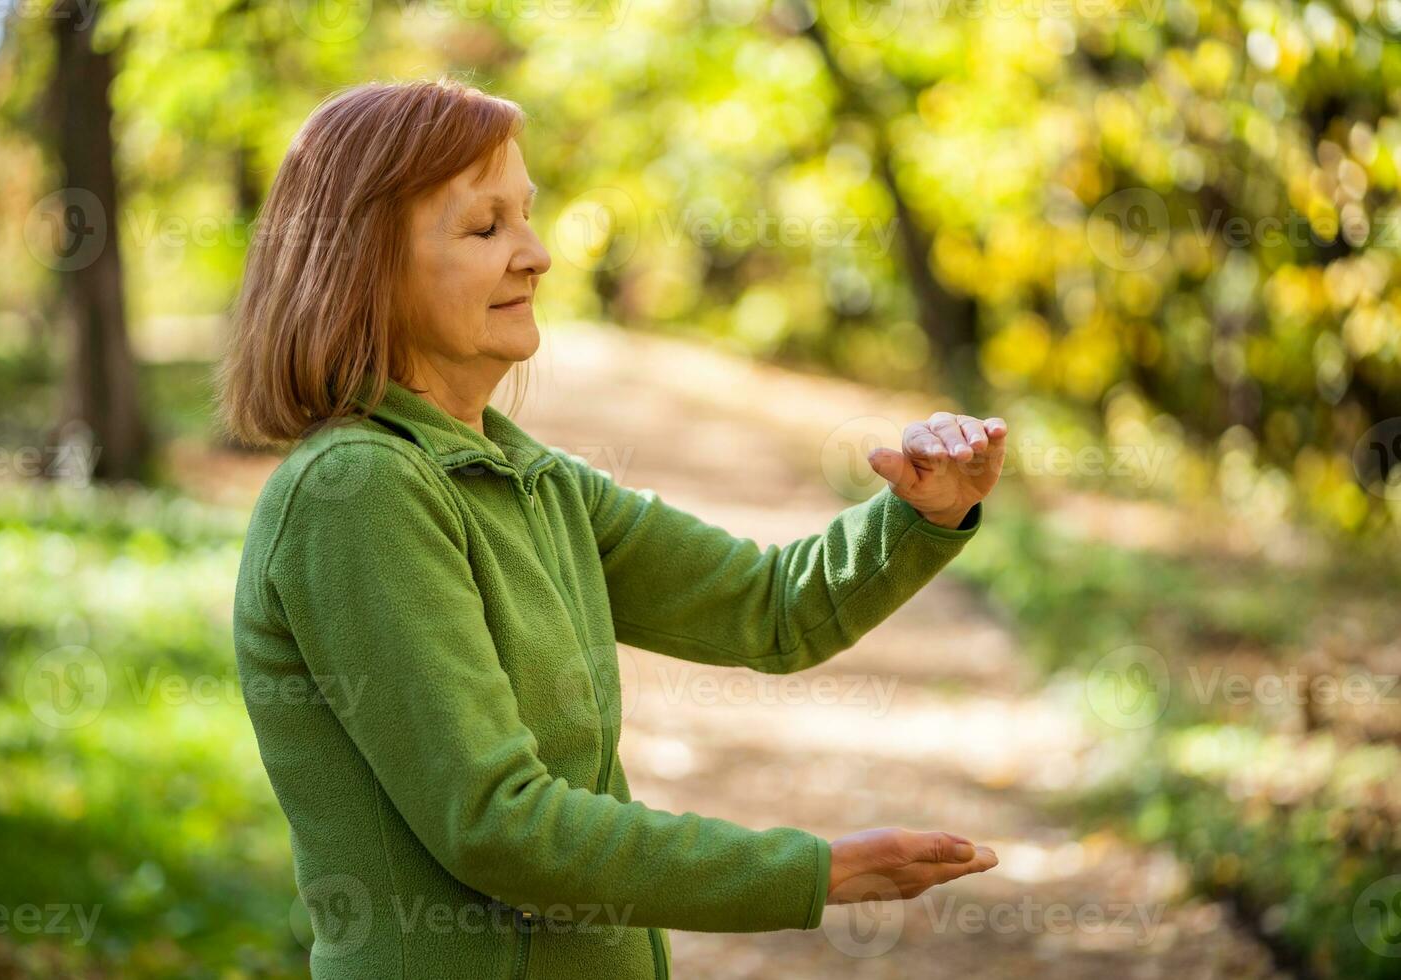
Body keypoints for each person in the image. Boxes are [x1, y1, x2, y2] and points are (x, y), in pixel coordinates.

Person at [220, 76, 1004, 980]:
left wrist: (921, 515)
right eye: (486, 228)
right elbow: (498, 825)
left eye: (528, 216)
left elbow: (772, 609)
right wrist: (815, 873)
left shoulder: (537, 485)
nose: (537, 254)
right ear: (362, 266)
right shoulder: (354, 495)